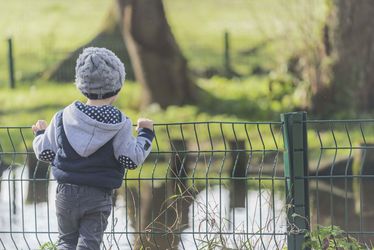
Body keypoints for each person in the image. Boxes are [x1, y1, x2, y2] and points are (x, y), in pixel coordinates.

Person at [32, 47, 154, 250]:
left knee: (65, 243)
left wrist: (40, 134)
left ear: (80, 85)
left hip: (65, 194)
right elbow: (130, 160)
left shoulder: (62, 117)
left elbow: (44, 152)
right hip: (98, 195)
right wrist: (146, 134)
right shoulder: (121, 123)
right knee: (89, 245)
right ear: (118, 88)